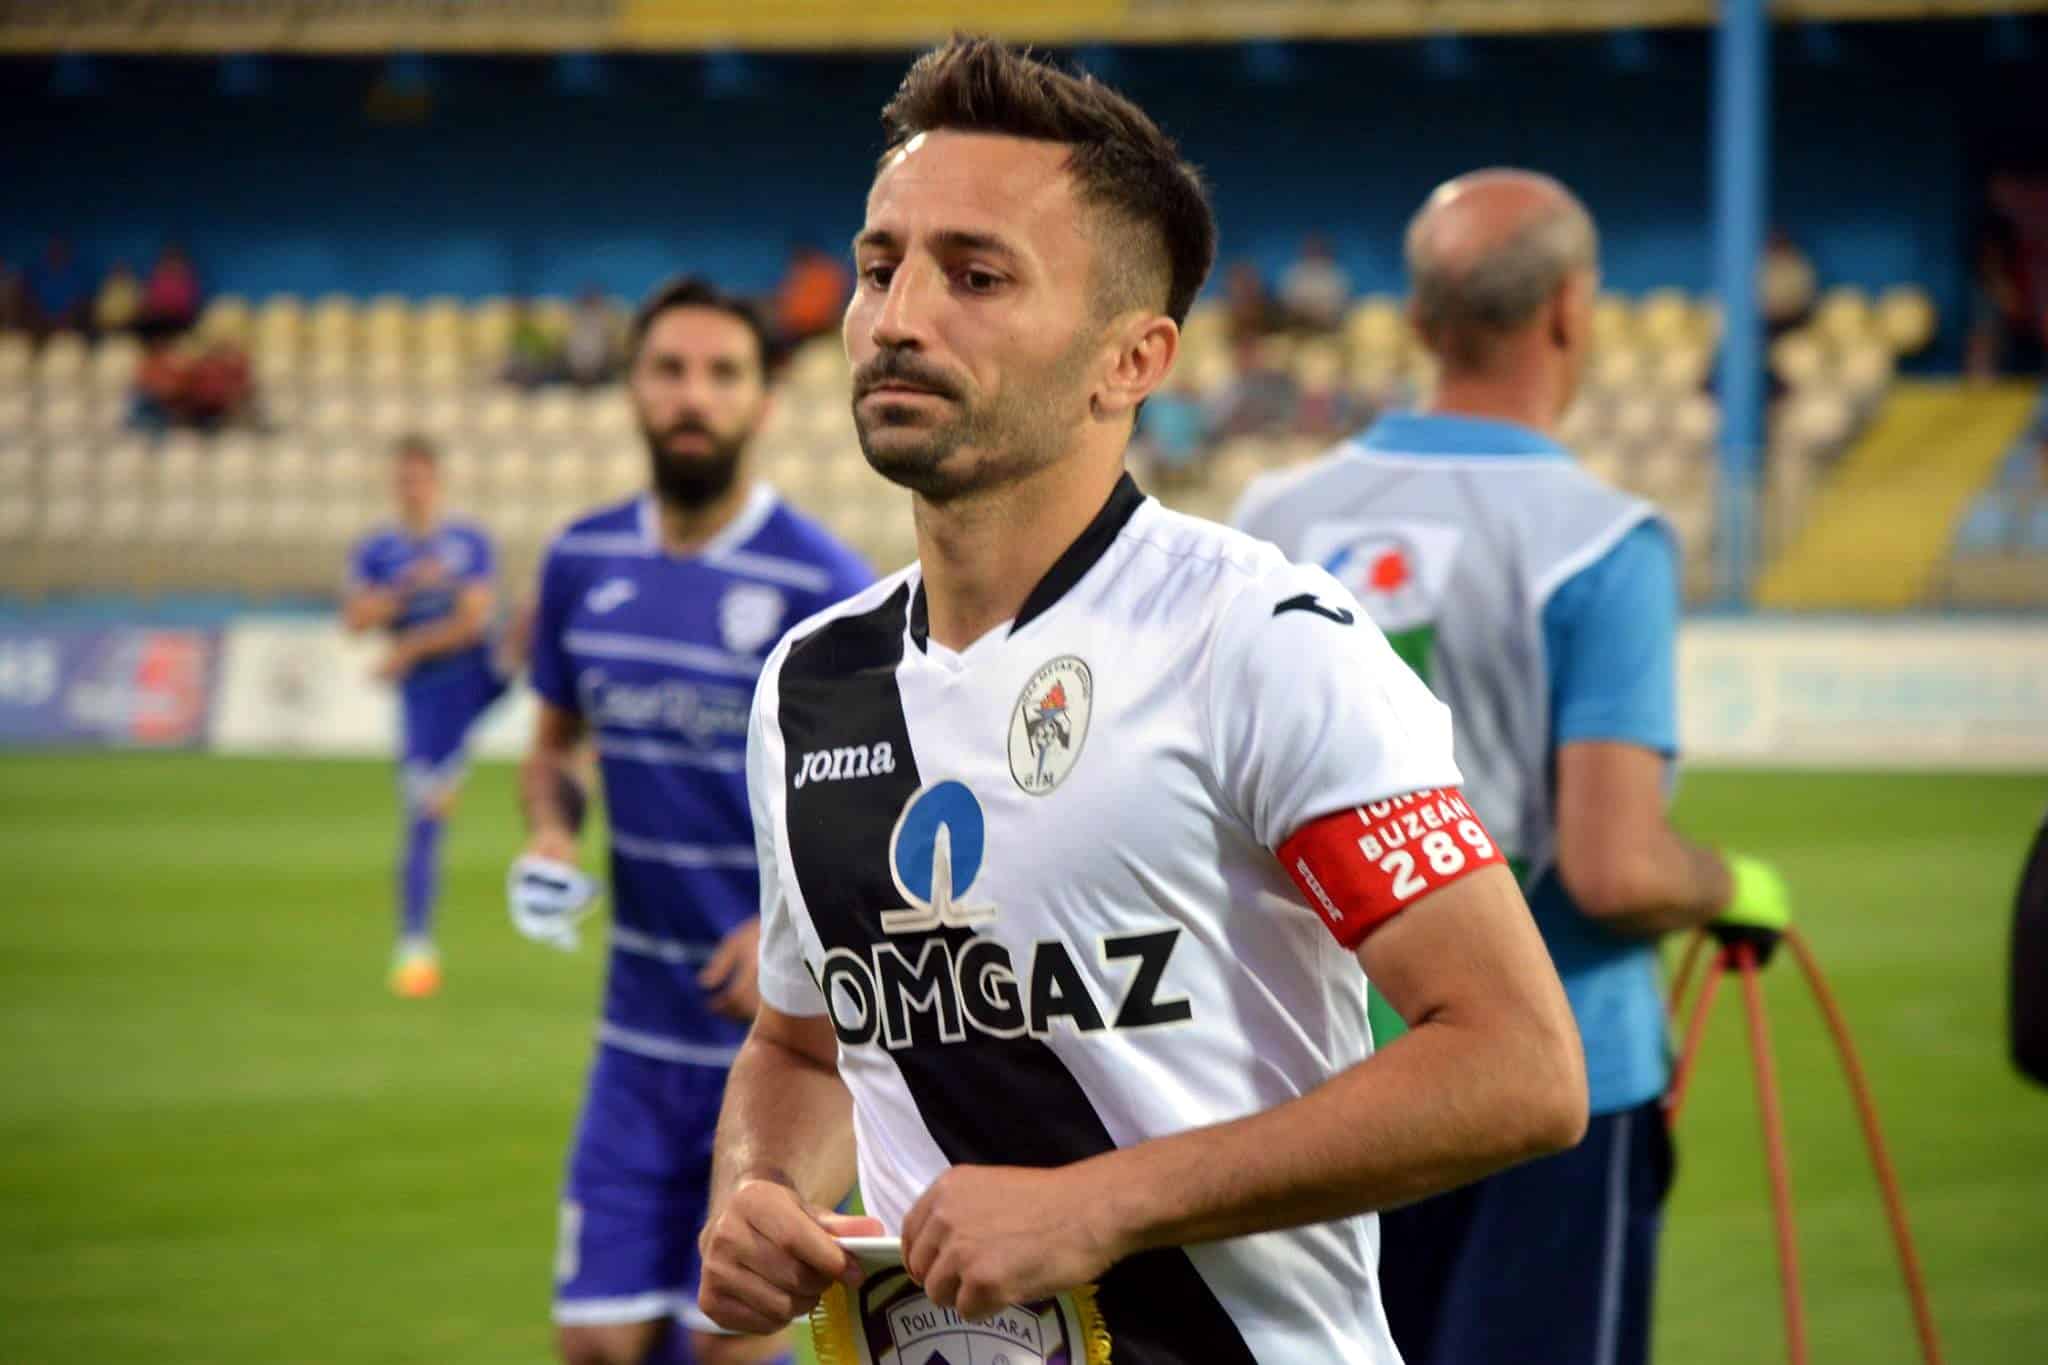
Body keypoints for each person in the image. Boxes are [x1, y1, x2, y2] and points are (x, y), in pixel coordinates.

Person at [696, 39, 1587, 1363]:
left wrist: (1101, 1204)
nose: (896, 317)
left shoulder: (1257, 641)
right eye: (880, 267)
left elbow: (1516, 1065)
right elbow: (805, 1047)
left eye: (976, 276)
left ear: (1131, 360)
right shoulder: (812, 686)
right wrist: (759, 1188)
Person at [1232, 168, 1796, 1365]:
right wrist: (1728, 885)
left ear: (1418, 318)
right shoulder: (1600, 541)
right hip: (1542, 1083)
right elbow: (1614, 869)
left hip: (1306, 1083)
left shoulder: (1267, 522)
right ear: (1568, 310)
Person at [509, 276, 871, 1365]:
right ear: (632, 387)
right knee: (596, 1343)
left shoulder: (821, 585)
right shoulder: (581, 563)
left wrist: (786, 934)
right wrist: (552, 832)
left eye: (722, 373)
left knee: (732, 1345)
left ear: (764, 401)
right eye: (669, 370)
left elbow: (872, 812)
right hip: (633, 1034)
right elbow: (554, 745)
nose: (692, 396)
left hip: (779, 1048)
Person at [342, 436, 508, 998]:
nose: (413, 489)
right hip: (424, 701)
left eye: (420, 478)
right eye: (404, 480)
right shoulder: (379, 551)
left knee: (529, 634)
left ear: (436, 481)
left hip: (473, 679)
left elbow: (474, 618)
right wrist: (408, 590)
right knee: (425, 814)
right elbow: (356, 618)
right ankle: (415, 943)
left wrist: (410, 646)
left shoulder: (467, 542)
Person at [1279, 232, 1354, 333]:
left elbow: (1344, 306)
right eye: (1312, 248)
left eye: (1319, 248)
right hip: (1299, 329)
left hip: (1329, 329)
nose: (1315, 252)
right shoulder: (1293, 274)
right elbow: (1286, 304)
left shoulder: (1338, 276)